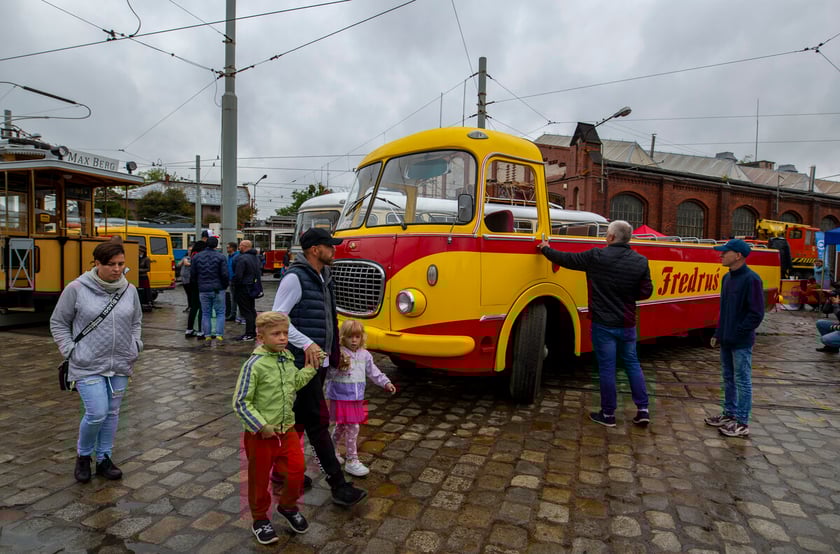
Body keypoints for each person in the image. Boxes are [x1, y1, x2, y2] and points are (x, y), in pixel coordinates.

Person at [271, 227, 367, 507]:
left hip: (319, 362)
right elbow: (278, 319)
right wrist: (307, 345)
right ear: (315, 250)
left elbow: (329, 318)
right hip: (302, 364)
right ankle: (338, 485)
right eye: (330, 245)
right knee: (318, 422)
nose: (334, 249)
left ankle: (283, 472)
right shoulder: (295, 278)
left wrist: (333, 353)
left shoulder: (324, 276)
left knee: (299, 419)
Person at [537, 220, 652, 427]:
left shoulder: (596, 256)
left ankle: (608, 414)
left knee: (607, 368)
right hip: (627, 323)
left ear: (610, 237)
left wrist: (546, 249)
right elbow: (646, 292)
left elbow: (567, 259)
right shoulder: (640, 261)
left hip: (603, 323)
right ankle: (643, 409)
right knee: (632, 364)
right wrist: (626, 293)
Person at [49, 236, 143, 483]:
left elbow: (136, 322)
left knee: (112, 413)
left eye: (120, 263)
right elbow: (58, 322)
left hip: (121, 362)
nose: (117, 269)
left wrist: (135, 345)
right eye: (111, 264)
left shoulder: (129, 290)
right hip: (87, 363)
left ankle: (104, 458)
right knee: (97, 412)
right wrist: (70, 350)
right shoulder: (76, 289)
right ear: (97, 263)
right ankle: (83, 455)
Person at [232, 312, 316, 544]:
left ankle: (288, 507)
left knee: (297, 471)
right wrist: (261, 426)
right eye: (276, 334)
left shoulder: (287, 359)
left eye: (285, 334)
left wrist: (310, 367)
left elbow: (294, 384)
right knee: (259, 479)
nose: (282, 338)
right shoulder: (254, 365)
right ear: (261, 337)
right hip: (261, 435)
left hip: (286, 430)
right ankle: (260, 518)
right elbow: (241, 401)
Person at [704, 238, 765, 438]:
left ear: (738, 255)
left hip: (740, 341)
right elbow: (724, 310)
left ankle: (742, 422)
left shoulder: (751, 279)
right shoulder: (727, 278)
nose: (721, 255)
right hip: (726, 338)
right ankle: (729, 414)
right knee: (728, 378)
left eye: (725, 252)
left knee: (742, 380)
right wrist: (718, 332)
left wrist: (738, 332)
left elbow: (756, 313)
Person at [327, 319, 396, 477]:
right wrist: (338, 366)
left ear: (361, 337)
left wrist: (385, 382)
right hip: (341, 396)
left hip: (357, 397)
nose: (354, 340)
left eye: (357, 337)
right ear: (343, 337)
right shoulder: (339, 353)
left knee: (344, 426)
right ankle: (352, 459)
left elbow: (373, 371)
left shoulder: (365, 355)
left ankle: (332, 450)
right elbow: (329, 375)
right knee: (351, 427)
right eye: (350, 337)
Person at [191, 236, 229, 344]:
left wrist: (198, 285)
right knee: (220, 313)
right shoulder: (221, 257)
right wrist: (224, 286)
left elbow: (193, 274)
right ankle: (219, 335)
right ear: (216, 245)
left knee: (205, 313)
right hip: (218, 289)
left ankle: (207, 335)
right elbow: (225, 274)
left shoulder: (197, 257)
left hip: (203, 289)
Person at [233, 239, 261, 341]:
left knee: (246, 311)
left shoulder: (242, 258)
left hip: (243, 287)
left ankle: (249, 333)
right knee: (251, 310)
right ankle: (252, 332)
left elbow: (238, 275)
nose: (239, 247)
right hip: (252, 287)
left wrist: (234, 282)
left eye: (240, 245)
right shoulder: (255, 258)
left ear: (244, 246)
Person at [184, 241, 206, 338]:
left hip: (192, 283)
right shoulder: (200, 256)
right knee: (201, 307)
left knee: (194, 307)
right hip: (200, 284)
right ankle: (201, 330)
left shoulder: (193, 255)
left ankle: (189, 329)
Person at [225, 241, 240, 322]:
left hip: (235, 280)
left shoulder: (236, 256)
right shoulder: (230, 256)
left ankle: (237, 315)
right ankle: (233, 314)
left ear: (232, 248)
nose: (227, 249)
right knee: (233, 298)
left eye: (228, 247)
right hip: (231, 280)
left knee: (237, 298)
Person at [137, 246, 153, 312]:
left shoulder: (146, 259)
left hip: (144, 277)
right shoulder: (137, 258)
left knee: (145, 291)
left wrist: (139, 270)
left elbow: (148, 269)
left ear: (143, 252)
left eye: (140, 251)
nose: (138, 252)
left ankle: (147, 303)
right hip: (138, 277)